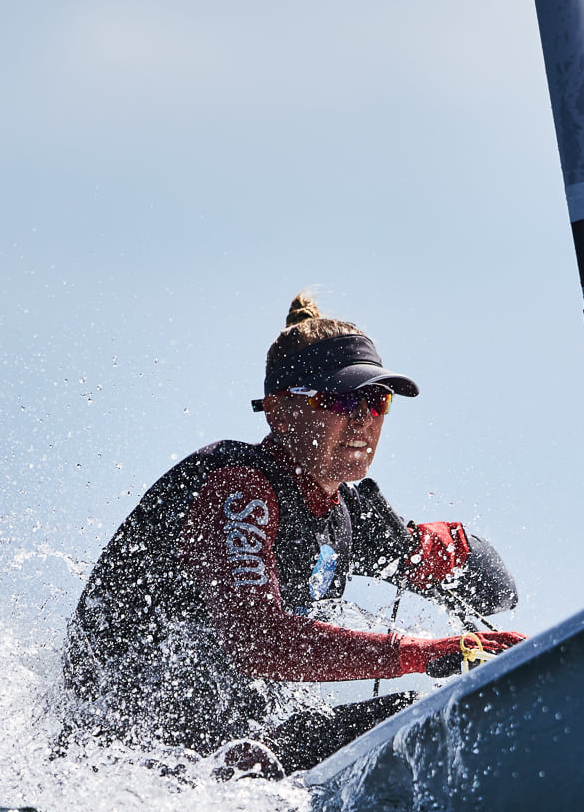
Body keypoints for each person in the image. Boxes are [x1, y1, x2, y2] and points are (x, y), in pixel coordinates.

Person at [61, 293, 525, 776]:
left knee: (428, 710)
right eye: (340, 400)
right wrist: (424, 652)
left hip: (226, 750)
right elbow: (256, 639)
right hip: (125, 755)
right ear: (279, 413)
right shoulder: (238, 489)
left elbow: (488, 585)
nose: (362, 418)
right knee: (416, 719)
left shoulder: (346, 513)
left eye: (376, 401)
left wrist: (452, 559)